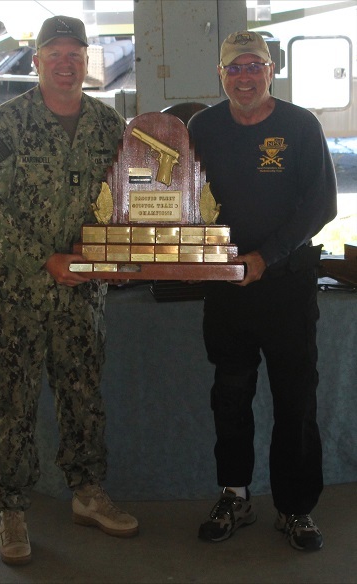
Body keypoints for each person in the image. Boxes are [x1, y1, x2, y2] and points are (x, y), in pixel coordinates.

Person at [0, 15, 138, 565]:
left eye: (75, 55)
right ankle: (11, 509)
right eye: (54, 54)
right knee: (11, 402)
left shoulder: (110, 126)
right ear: (36, 62)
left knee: (83, 396)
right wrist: (45, 260)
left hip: (84, 298)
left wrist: (122, 252)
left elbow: (131, 199)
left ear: (88, 63)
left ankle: (87, 493)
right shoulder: (4, 125)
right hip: (17, 295)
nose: (65, 64)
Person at [187, 31, 337, 551]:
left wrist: (263, 258)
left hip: (287, 287)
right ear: (221, 75)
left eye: (254, 67)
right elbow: (183, 199)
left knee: (295, 400)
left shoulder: (300, 125)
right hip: (225, 289)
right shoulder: (201, 127)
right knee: (230, 396)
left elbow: (320, 206)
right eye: (235, 68)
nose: (244, 77)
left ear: (270, 71)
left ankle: (296, 509)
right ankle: (234, 494)